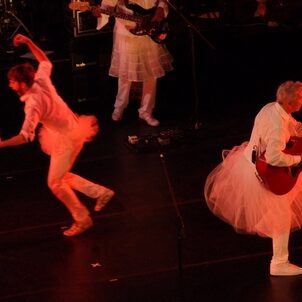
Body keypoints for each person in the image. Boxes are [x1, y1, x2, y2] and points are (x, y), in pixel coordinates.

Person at [1, 34, 115, 237]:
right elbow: (44, 60)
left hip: (67, 139)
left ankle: (83, 219)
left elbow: (26, 136)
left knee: (54, 182)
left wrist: (2, 144)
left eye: (12, 82)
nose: (10, 85)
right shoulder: (40, 79)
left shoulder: (33, 104)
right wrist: (28, 42)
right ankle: (100, 193)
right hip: (72, 129)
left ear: (22, 84)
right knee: (60, 177)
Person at [204, 81, 302, 276]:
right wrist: (298, 158)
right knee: (282, 214)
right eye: (300, 97)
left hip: (253, 161)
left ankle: (268, 220)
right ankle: (279, 263)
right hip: (265, 172)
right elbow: (274, 156)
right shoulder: (277, 128)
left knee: (286, 201)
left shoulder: (271, 107)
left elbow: (291, 126)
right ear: (290, 103)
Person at [95, 0, 174, 126]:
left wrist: (160, 9)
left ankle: (146, 111)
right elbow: (107, 6)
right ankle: (119, 107)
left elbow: (163, 1)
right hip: (126, 32)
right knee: (125, 73)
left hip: (150, 29)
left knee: (151, 74)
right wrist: (100, 14)